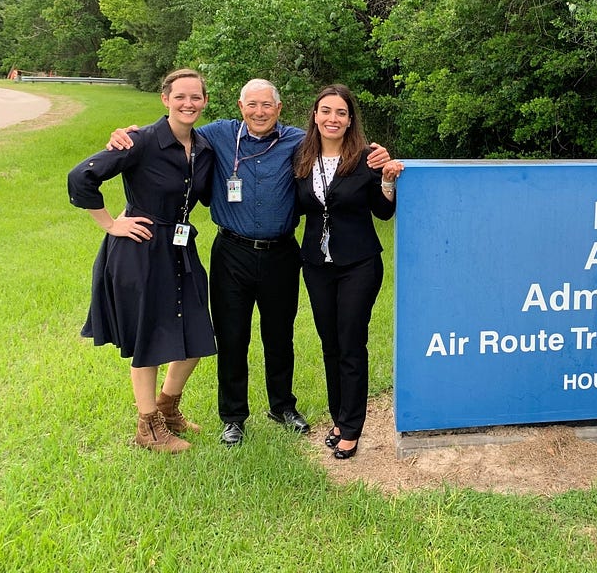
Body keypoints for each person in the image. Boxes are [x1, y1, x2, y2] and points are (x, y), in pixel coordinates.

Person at [109, 79, 391, 447]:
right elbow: (176, 127)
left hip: (283, 253)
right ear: (240, 107)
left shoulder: (298, 142)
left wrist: (379, 157)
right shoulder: (217, 135)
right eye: (252, 105)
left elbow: (343, 153)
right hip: (232, 252)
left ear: (280, 108)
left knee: (279, 335)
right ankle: (233, 417)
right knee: (231, 336)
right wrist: (131, 134)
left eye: (267, 105)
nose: (259, 112)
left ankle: (282, 406)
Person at [68, 69, 215, 453]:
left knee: (197, 333)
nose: (188, 103)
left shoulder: (204, 148)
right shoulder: (139, 141)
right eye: (180, 96)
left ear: (204, 102)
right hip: (141, 249)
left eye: (195, 97)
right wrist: (111, 223)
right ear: (165, 98)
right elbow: (81, 176)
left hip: (181, 248)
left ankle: (167, 408)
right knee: (149, 335)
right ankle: (147, 427)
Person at [294, 84, 403, 460]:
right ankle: (339, 418)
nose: (332, 119)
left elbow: (384, 211)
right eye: (326, 111)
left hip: (358, 263)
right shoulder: (302, 156)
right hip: (316, 264)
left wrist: (387, 180)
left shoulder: (368, 156)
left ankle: (352, 429)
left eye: (340, 112)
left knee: (351, 343)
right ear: (315, 115)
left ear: (350, 119)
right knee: (329, 345)